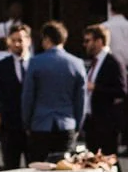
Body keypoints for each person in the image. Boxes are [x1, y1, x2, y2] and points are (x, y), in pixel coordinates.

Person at [21, 20, 86, 163]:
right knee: (64, 171)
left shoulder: (35, 62)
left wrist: (27, 123)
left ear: (46, 39)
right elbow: (81, 99)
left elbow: (28, 97)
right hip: (67, 124)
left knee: (38, 170)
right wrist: (77, 125)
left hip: (40, 124)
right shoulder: (77, 64)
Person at [80, 23, 128, 172]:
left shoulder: (113, 61)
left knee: (110, 162)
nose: (85, 44)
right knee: (92, 163)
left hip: (107, 122)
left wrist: (96, 88)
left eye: (88, 41)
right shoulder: (93, 64)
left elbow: (122, 90)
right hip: (92, 121)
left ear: (99, 41)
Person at [0, 24, 31, 171]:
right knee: (10, 170)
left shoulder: (37, 65)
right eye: (13, 40)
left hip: (32, 127)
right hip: (9, 126)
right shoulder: (1, 66)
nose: (16, 44)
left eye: (20, 40)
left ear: (28, 41)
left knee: (35, 171)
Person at [0, 0, 26, 69]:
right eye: (13, 9)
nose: (16, 11)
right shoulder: (2, 27)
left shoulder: (23, 29)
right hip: (3, 59)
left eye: (18, 9)